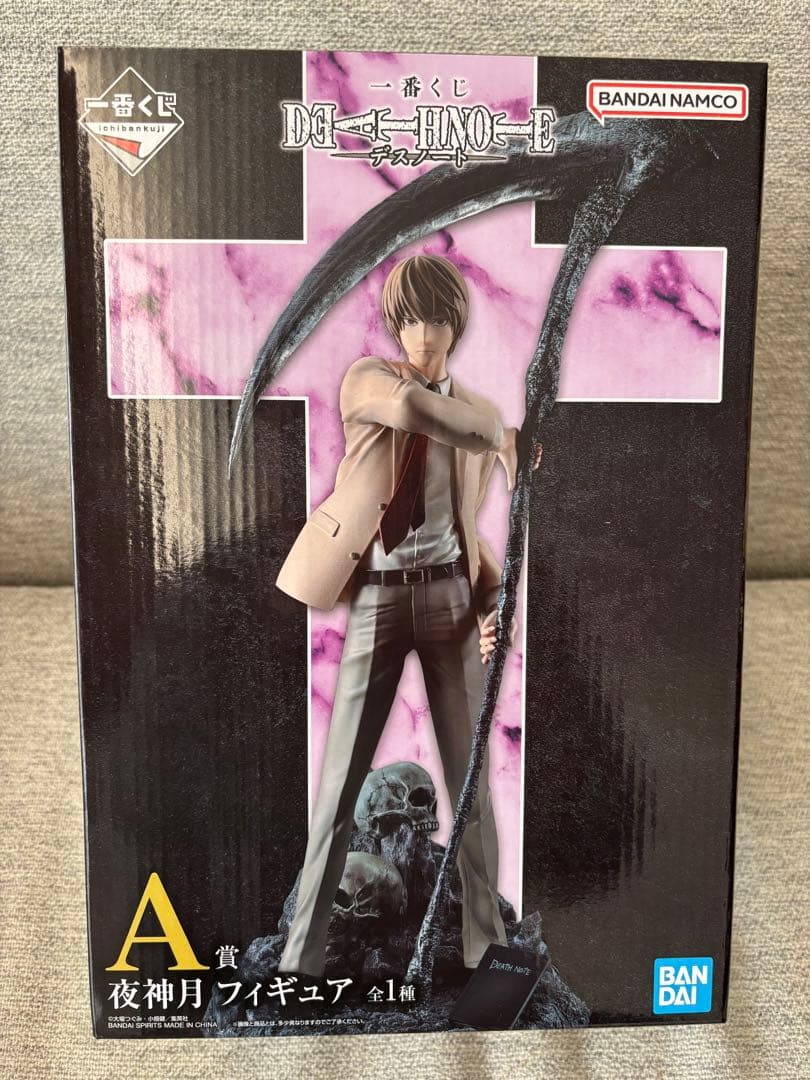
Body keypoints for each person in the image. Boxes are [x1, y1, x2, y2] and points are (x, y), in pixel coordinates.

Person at [276, 253, 541, 977]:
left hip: (451, 596)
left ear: (457, 323)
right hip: (380, 597)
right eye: (410, 319)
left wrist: (496, 607)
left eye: (437, 318)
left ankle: (487, 947)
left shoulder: (474, 415)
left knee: (471, 787)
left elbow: (470, 537)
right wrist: (503, 435)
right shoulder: (370, 380)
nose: (423, 333)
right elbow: (414, 410)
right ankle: (300, 960)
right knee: (339, 784)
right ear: (395, 326)